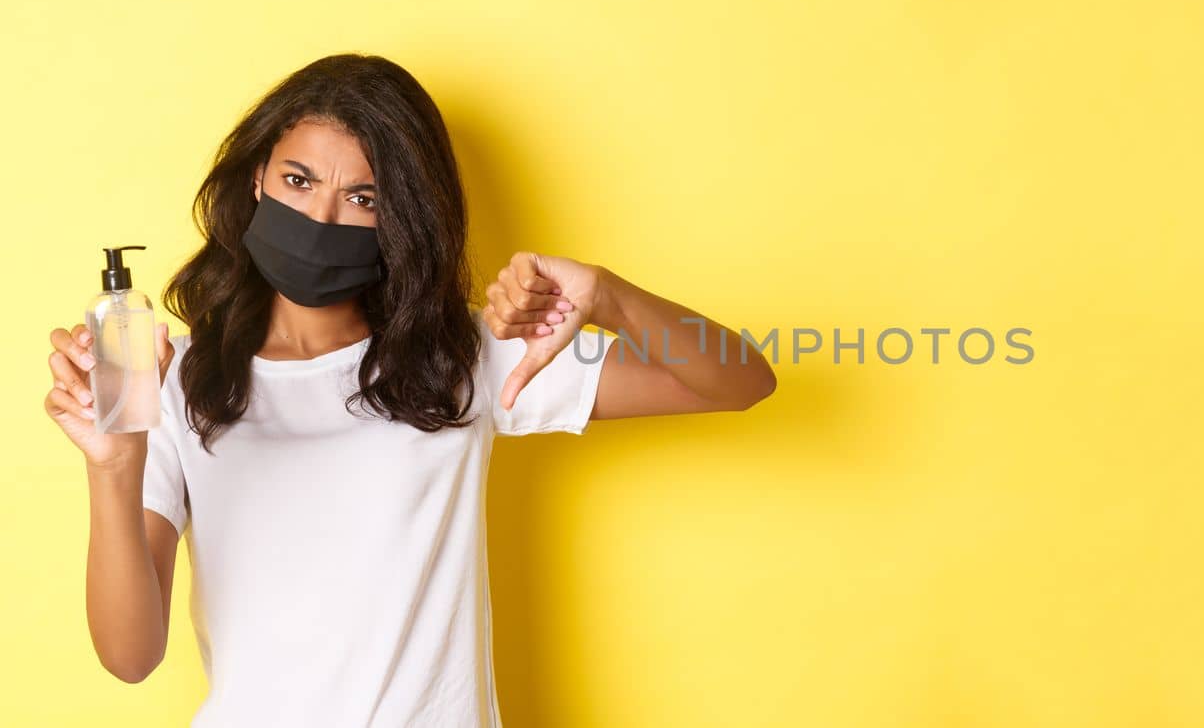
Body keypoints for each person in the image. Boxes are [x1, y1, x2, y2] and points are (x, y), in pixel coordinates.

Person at [42, 53, 776, 727]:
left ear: (402, 219)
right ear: (258, 176)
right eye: (299, 181)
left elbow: (740, 380)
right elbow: (129, 657)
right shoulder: (173, 378)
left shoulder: (466, 356)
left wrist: (610, 297)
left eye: (362, 197)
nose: (321, 219)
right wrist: (112, 467)